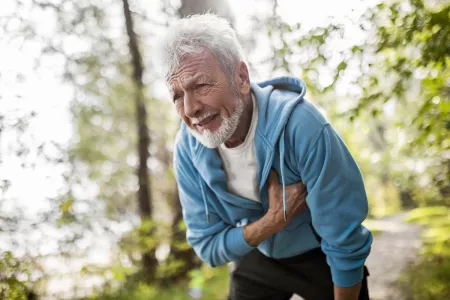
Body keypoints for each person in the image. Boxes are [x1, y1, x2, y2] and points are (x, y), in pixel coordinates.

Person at [155, 13, 372, 300]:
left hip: (322, 254)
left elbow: (344, 239)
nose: (191, 107)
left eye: (200, 85)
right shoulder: (187, 148)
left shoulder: (302, 126)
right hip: (257, 253)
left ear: (241, 78)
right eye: (177, 96)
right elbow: (208, 247)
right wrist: (271, 222)